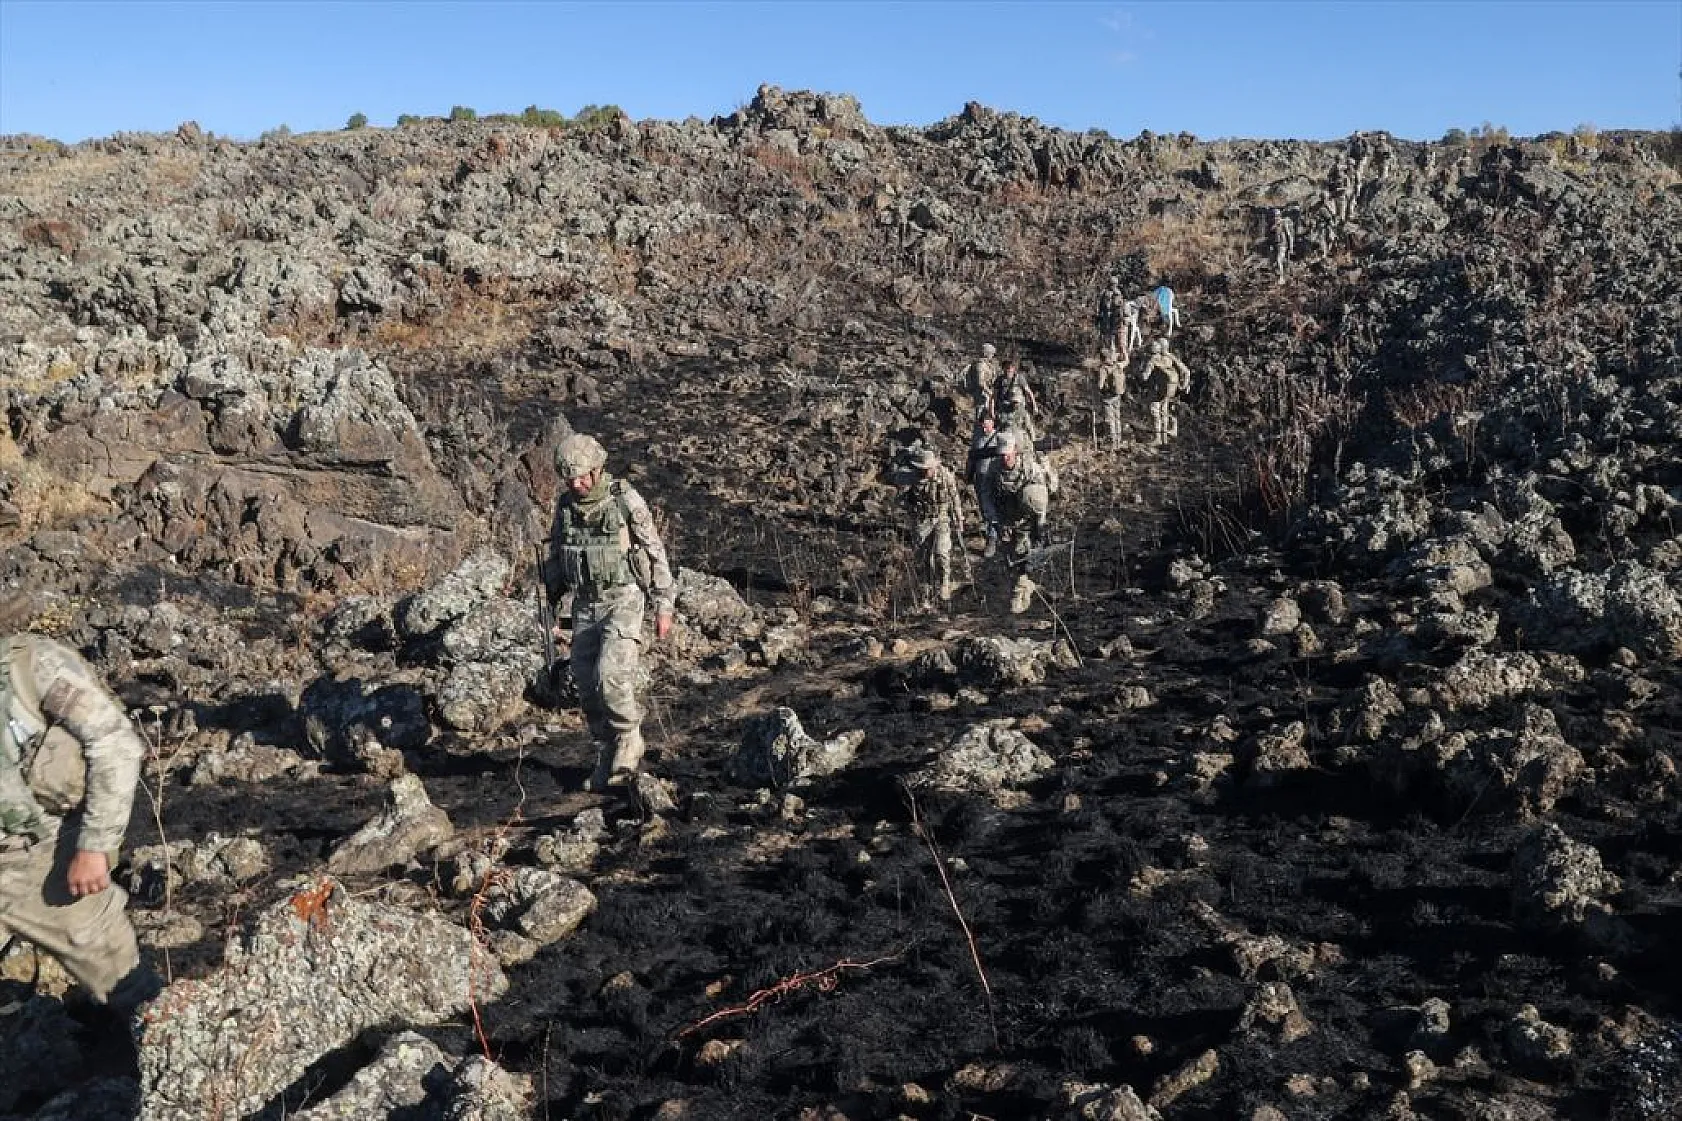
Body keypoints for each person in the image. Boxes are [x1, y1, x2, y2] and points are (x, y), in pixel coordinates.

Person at [0, 621, 150, 1007]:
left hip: (38, 862)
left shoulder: (33, 664)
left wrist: (95, 847)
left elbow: (115, 744)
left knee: (128, 987)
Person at [546, 434, 676, 791]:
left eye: (583, 476)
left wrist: (664, 604)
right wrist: (553, 606)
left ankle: (629, 740)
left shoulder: (624, 501)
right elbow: (557, 554)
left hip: (623, 600)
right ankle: (606, 750)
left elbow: (654, 552)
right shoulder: (566, 507)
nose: (577, 484)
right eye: (570, 478)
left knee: (611, 676)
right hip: (584, 604)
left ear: (597, 468)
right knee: (586, 685)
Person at [900, 446, 965, 607]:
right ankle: (925, 593)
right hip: (921, 520)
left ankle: (944, 584)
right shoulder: (912, 478)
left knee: (941, 552)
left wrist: (959, 518)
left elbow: (954, 496)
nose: (925, 472)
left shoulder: (945, 476)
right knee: (922, 558)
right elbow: (901, 499)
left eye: (927, 469)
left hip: (941, 517)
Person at [988, 431, 1053, 558]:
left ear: (1015, 451)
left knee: (1033, 495)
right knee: (1016, 551)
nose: (1005, 458)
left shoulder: (1028, 466)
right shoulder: (994, 469)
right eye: (1001, 455)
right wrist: (996, 520)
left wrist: (1040, 520)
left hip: (1029, 507)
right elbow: (989, 494)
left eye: (1007, 455)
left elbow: (1045, 488)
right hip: (1010, 512)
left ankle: (1040, 534)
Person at [965, 413, 1007, 557]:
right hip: (980, 479)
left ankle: (993, 537)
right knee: (985, 508)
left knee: (993, 507)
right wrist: (968, 476)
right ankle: (995, 532)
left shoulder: (999, 438)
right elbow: (971, 457)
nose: (984, 426)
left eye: (987, 422)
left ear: (993, 423)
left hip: (995, 478)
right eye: (982, 423)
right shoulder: (977, 438)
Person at [1141, 339, 1192, 447]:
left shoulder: (1153, 359)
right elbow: (1186, 370)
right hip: (1168, 390)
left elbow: (1144, 377)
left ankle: (1157, 438)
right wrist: (1183, 385)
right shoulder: (1170, 357)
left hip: (1156, 391)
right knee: (1164, 412)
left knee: (1155, 412)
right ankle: (1165, 439)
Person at [991, 360, 1041, 444]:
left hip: (1019, 406)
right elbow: (994, 396)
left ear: (1013, 369)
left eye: (1010, 368)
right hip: (1004, 408)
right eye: (1006, 368)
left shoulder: (1019, 378)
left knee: (1027, 424)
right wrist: (991, 410)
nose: (1008, 370)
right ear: (1003, 369)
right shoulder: (999, 380)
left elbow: (1029, 392)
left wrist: (1034, 406)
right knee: (1002, 427)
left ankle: (1034, 442)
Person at [1095, 344, 1128, 449]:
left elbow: (1100, 385)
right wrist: (1124, 351)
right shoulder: (1117, 365)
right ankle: (1119, 440)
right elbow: (1127, 361)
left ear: (1101, 358)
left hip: (1108, 397)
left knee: (1109, 419)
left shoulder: (1103, 369)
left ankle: (1112, 442)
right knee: (1117, 417)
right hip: (1117, 395)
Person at [964, 343, 1000, 419]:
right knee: (981, 413)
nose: (992, 356)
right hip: (981, 393)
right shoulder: (980, 364)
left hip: (986, 392)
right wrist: (989, 392)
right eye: (992, 353)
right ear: (987, 353)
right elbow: (980, 382)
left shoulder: (988, 365)